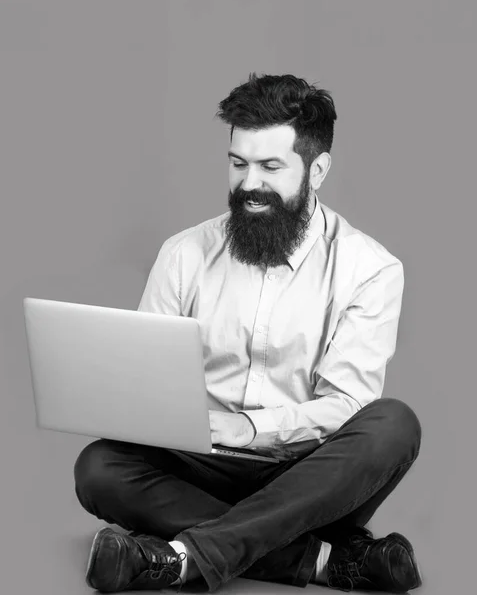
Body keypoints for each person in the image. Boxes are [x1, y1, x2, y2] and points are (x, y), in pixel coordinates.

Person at [74, 73, 423, 593]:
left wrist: (248, 429)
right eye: (238, 163)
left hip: (305, 473)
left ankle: (175, 556)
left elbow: (346, 404)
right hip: (200, 465)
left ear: (318, 169)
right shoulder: (184, 253)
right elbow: (146, 384)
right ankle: (329, 562)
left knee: (394, 425)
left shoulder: (371, 269)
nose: (249, 184)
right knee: (98, 466)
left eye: (270, 166)